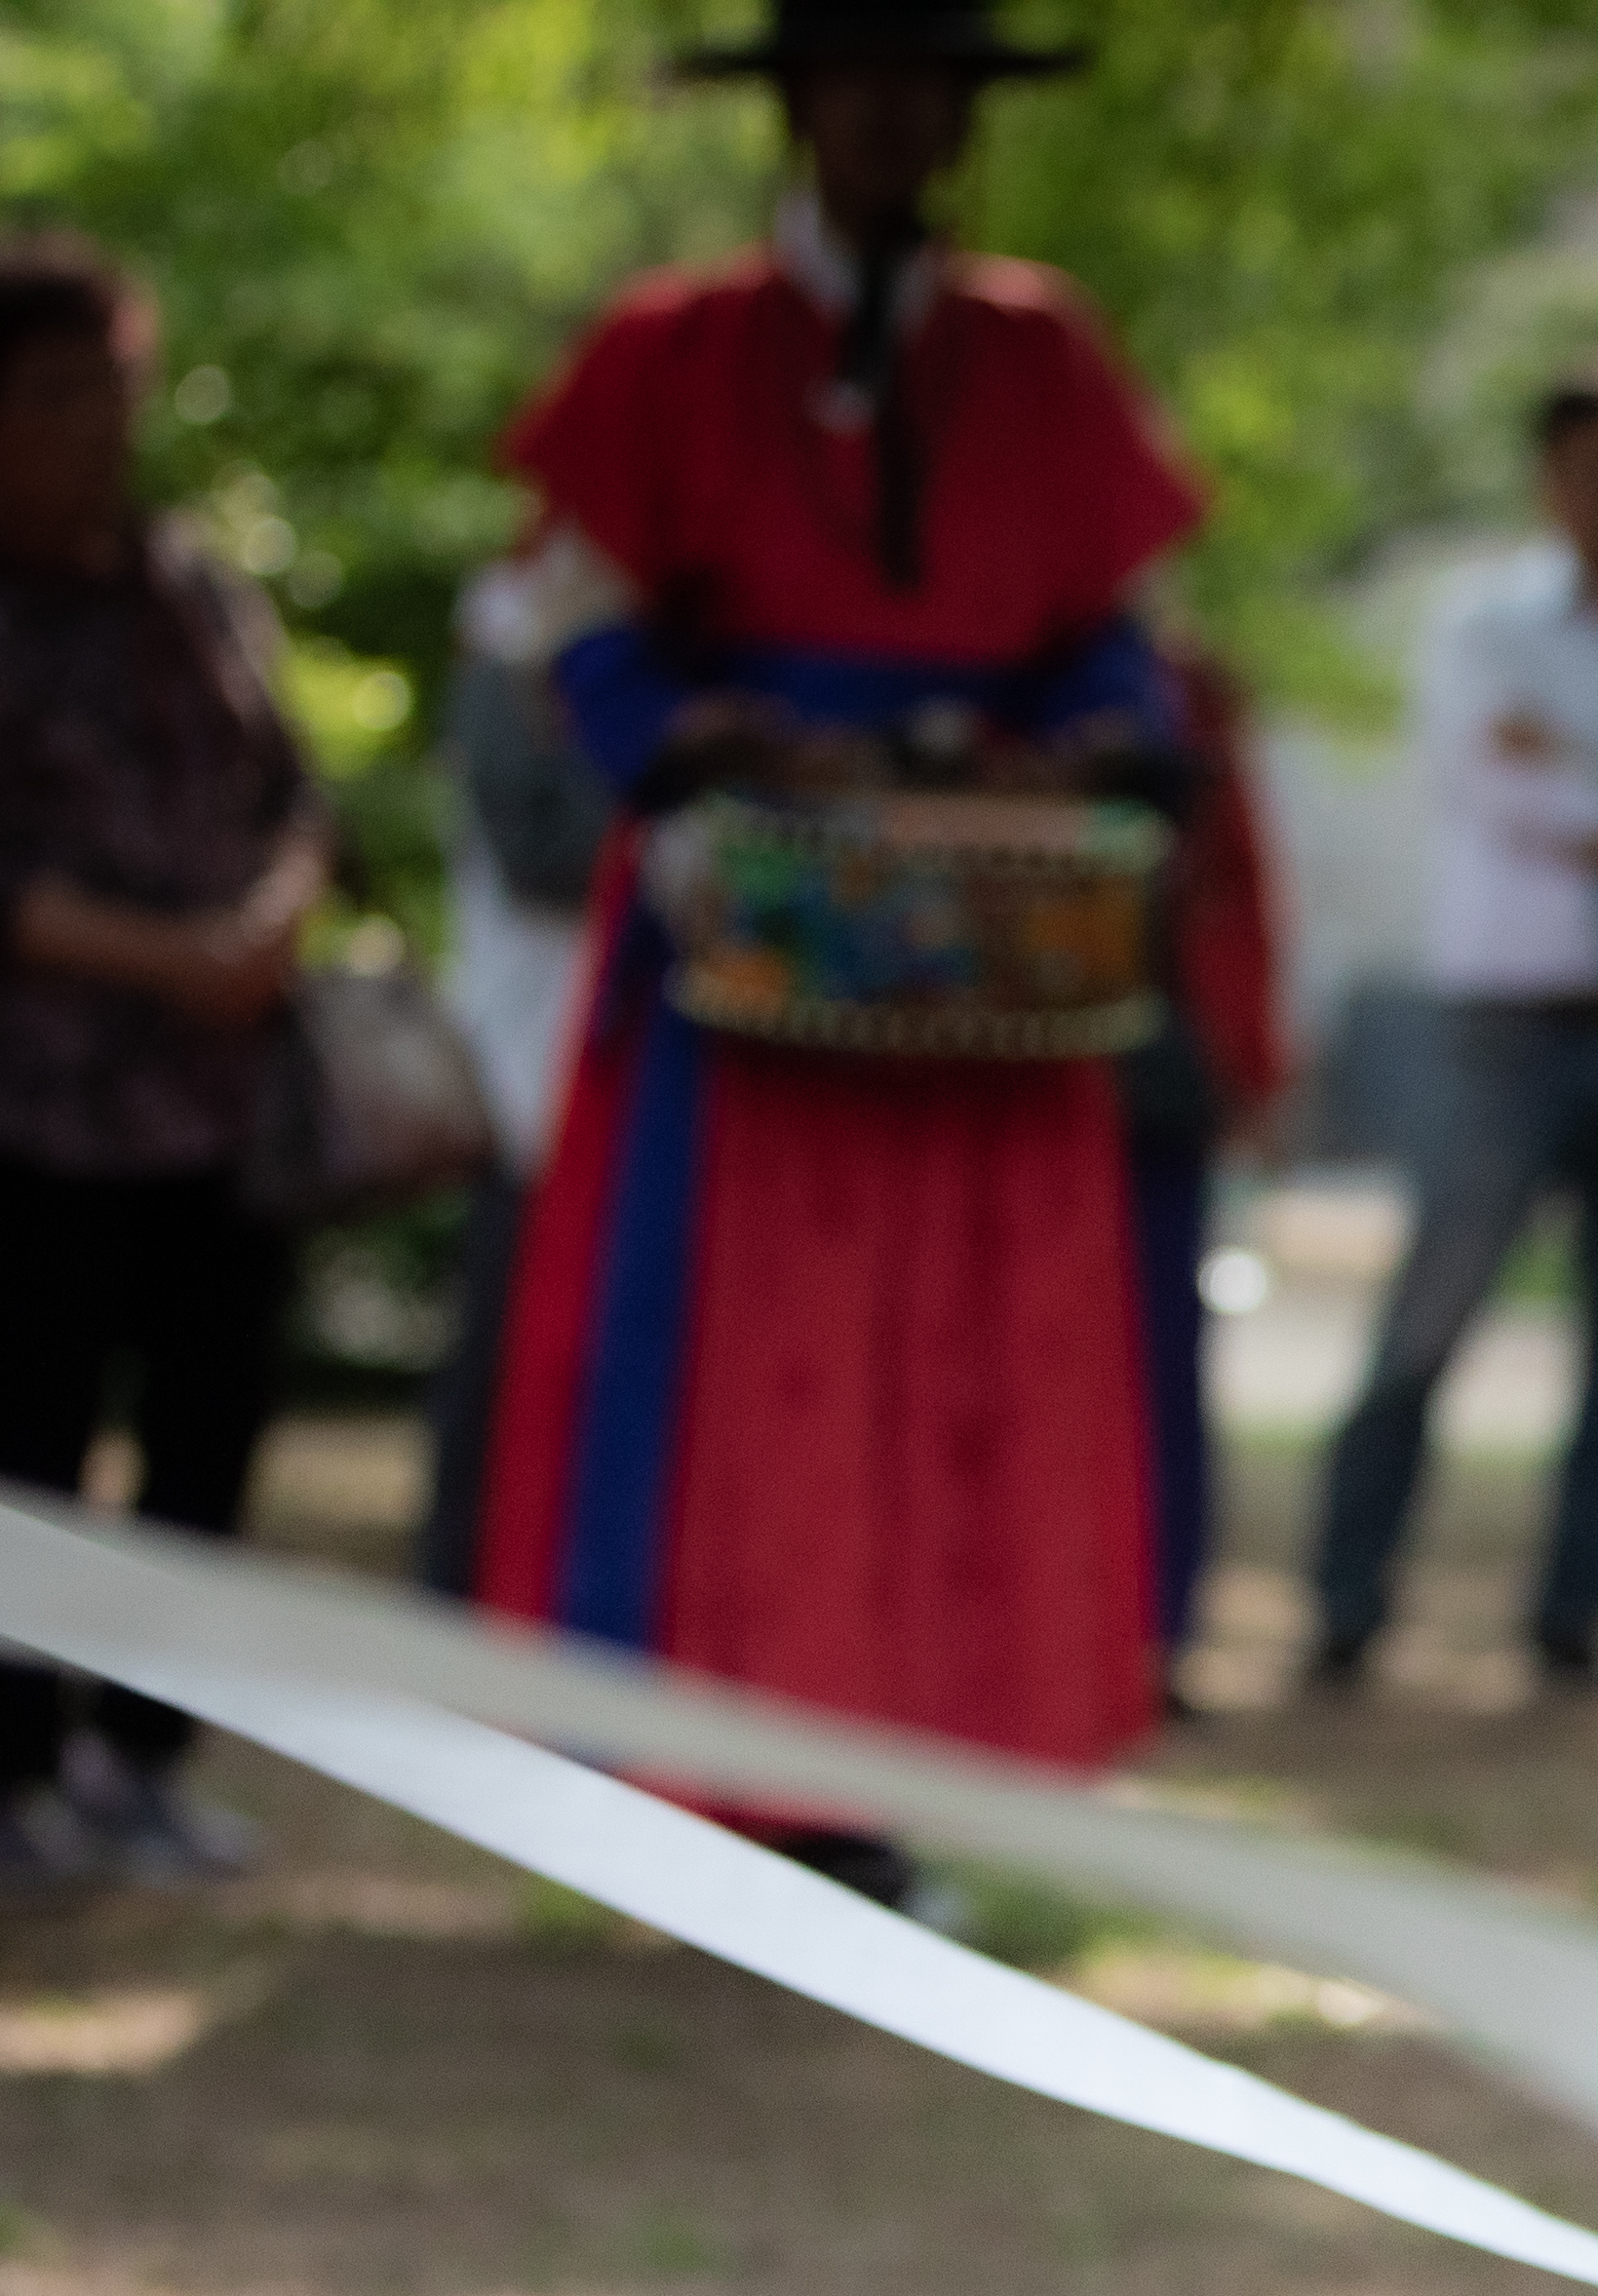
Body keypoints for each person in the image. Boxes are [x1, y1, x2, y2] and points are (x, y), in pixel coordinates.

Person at [460, 0, 1204, 1898]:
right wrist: (712, 760)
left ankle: (918, 1759)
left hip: (993, 958)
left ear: (964, 113)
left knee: (962, 1354)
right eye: (858, 70)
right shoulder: (672, 349)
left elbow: (1117, 641)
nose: (893, 111)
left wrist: (1106, 748)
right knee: (749, 1352)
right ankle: (738, 1779)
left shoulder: (1043, 353)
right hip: (754, 954)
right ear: (792, 99)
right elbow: (578, 618)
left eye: (928, 78)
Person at [0, 231, 335, 1896]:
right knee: (29, 1448)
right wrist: (166, 960)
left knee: (206, 1438)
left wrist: (268, 924)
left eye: (113, 387)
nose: (98, 424)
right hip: (52, 1102)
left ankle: (144, 1761)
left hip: (224, 1107)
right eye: (57, 393)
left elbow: (296, 790)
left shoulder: (193, 585)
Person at [1304, 352, 1598, 1706]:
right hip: (1508, 1023)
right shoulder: (1481, 629)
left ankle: (1575, 1621)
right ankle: (1347, 1600)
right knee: (1428, 1321)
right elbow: (1506, 791)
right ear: (1551, 478)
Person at [413, 556, 611, 1601]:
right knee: (500, 1373)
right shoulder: (513, 642)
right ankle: (460, 1608)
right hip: (529, 1073)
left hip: (616, 1083)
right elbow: (540, 850)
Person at [1121, 620, 1288, 1693]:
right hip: (986, 1067)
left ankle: (1154, 1630)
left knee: (1160, 1361)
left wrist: (1249, 1055)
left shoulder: (1183, 687)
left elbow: (1235, 884)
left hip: (1149, 1065)